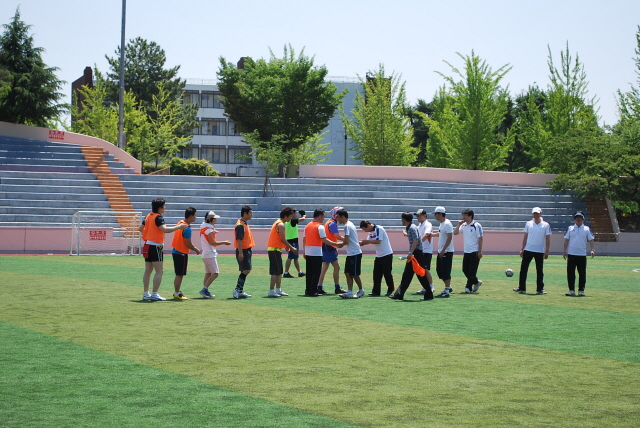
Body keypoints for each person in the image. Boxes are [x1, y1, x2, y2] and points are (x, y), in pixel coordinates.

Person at [139, 198, 187, 301]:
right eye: (164, 206)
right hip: (156, 246)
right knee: (159, 271)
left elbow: (140, 228)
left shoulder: (148, 216)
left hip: (147, 245)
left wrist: (149, 234)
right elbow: (165, 229)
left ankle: (146, 293)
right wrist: (178, 227)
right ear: (159, 207)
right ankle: (154, 293)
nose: (165, 207)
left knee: (148, 270)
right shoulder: (158, 217)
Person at [390, 212, 434, 301]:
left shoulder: (412, 228)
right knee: (407, 275)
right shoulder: (411, 227)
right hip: (415, 253)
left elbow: (416, 240)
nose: (401, 221)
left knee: (420, 274)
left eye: (402, 219)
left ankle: (429, 294)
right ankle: (399, 294)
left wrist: (410, 252)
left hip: (416, 254)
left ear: (404, 219)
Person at [303, 209, 341, 297]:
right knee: (316, 272)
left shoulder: (307, 225)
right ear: (320, 216)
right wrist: (335, 244)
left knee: (309, 272)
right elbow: (324, 240)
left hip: (308, 251)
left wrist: (304, 251)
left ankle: (308, 290)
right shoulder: (320, 227)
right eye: (323, 216)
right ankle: (313, 290)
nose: (323, 218)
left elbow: (304, 239)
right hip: (316, 252)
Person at [514, 207, 551, 295]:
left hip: (539, 250)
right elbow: (525, 237)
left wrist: (547, 250)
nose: (536, 215)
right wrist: (522, 248)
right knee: (523, 269)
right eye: (534, 213)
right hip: (528, 249)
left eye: (537, 213)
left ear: (541, 214)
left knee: (539, 270)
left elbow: (548, 238)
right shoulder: (528, 224)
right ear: (532, 214)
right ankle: (522, 288)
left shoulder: (546, 225)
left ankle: (540, 289)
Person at [199, 211, 231, 299]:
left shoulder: (204, 227)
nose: (216, 220)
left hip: (206, 254)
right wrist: (224, 242)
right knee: (215, 273)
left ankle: (205, 291)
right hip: (209, 254)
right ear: (210, 219)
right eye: (214, 219)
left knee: (208, 273)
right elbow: (212, 242)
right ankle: (204, 289)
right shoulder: (209, 229)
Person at [267, 207, 298, 298]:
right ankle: (271, 290)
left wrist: (286, 247)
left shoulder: (279, 223)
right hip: (274, 250)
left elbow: (281, 239)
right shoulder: (280, 224)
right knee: (275, 272)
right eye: (290, 216)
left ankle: (278, 289)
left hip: (276, 250)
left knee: (279, 271)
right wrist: (292, 248)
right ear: (285, 216)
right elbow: (282, 239)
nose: (291, 218)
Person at [171, 207, 201, 300]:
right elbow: (188, 244)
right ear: (190, 216)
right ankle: (177, 292)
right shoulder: (187, 228)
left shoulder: (180, 223)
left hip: (176, 250)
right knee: (179, 274)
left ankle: (177, 291)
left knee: (179, 273)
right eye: (195, 215)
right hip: (181, 252)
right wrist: (196, 249)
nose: (196, 217)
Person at [563, 211, 595, 297]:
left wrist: (592, 249)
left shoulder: (586, 229)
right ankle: (571, 290)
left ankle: (581, 290)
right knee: (570, 273)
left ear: (583, 219)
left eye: (580, 218)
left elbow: (591, 239)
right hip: (571, 254)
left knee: (582, 273)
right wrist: (564, 251)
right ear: (574, 219)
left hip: (582, 254)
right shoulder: (570, 228)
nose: (578, 219)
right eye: (577, 217)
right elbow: (566, 240)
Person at [360, 220, 394, 296]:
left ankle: (390, 289)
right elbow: (368, 241)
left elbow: (378, 241)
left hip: (386, 254)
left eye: (365, 229)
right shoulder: (370, 232)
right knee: (376, 274)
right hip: (379, 255)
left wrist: (366, 241)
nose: (365, 231)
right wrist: (359, 243)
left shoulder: (379, 229)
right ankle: (376, 291)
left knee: (387, 273)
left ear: (368, 225)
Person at [335, 208, 364, 299]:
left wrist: (340, 244)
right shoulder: (349, 224)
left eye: (338, 217)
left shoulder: (347, 226)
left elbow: (346, 241)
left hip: (355, 253)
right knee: (347, 273)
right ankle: (350, 291)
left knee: (354, 274)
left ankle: (361, 290)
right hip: (351, 253)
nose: (337, 219)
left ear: (343, 216)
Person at [453, 209, 484, 294]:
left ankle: (468, 287)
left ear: (470, 216)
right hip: (466, 251)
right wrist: (458, 225)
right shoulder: (463, 225)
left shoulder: (476, 225)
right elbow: (455, 233)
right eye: (463, 215)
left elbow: (480, 238)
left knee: (471, 271)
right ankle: (476, 282)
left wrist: (479, 251)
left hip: (474, 251)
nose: (463, 217)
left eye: (465, 215)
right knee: (464, 269)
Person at [318, 206, 347, 295]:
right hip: (329, 247)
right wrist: (347, 239)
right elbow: (337, 236)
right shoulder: (333, 224)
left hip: (327, 246)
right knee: (336, 267)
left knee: (324, 268)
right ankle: (337, 287)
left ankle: (319, 286)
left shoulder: (329, 222)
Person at [431, 206, 454, 298]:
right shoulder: (442, 224)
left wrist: (444, 249)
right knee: (439, 271)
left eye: (436, 214)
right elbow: (441, 234)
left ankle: (447, 289)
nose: (435, 216)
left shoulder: (447, 224)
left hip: (446, 251)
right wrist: (432, 234)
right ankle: (448, 287)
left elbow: (449, 237)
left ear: (440, 214)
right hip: (441, 251)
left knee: (445, 271)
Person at [233, 205, 255, 299]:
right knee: (246, 270)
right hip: (243, 250)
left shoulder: (244, 224)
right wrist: (241, 253)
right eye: (250, 213)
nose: (251, 215)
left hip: (246, 249)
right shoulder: (240, 225)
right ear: (245, 213)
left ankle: (240, 290)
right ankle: (237, 289)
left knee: (245, 270)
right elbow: (239, 239)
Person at [413, 209, 435, 296]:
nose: (417, 217)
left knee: (425, 269)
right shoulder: (419, 226)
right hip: (421, 250)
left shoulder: (428, 224)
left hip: (426, 250)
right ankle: (425, 286)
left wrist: (418, 243)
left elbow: (426, 235)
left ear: (424, 215)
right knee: (421, 269)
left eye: (419, 215)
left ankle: (431, 286)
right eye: (417, 216)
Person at [283, 209, 307, 278]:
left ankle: (299, 272)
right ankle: (286, 272)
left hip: (291, 240)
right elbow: (302, 219)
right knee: (290, 257)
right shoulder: (292, 221)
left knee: (295, 258)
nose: (296, 214)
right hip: (293, 241)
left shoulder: (288, 222)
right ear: (292, 214)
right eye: (295, 213)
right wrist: (304, 215)